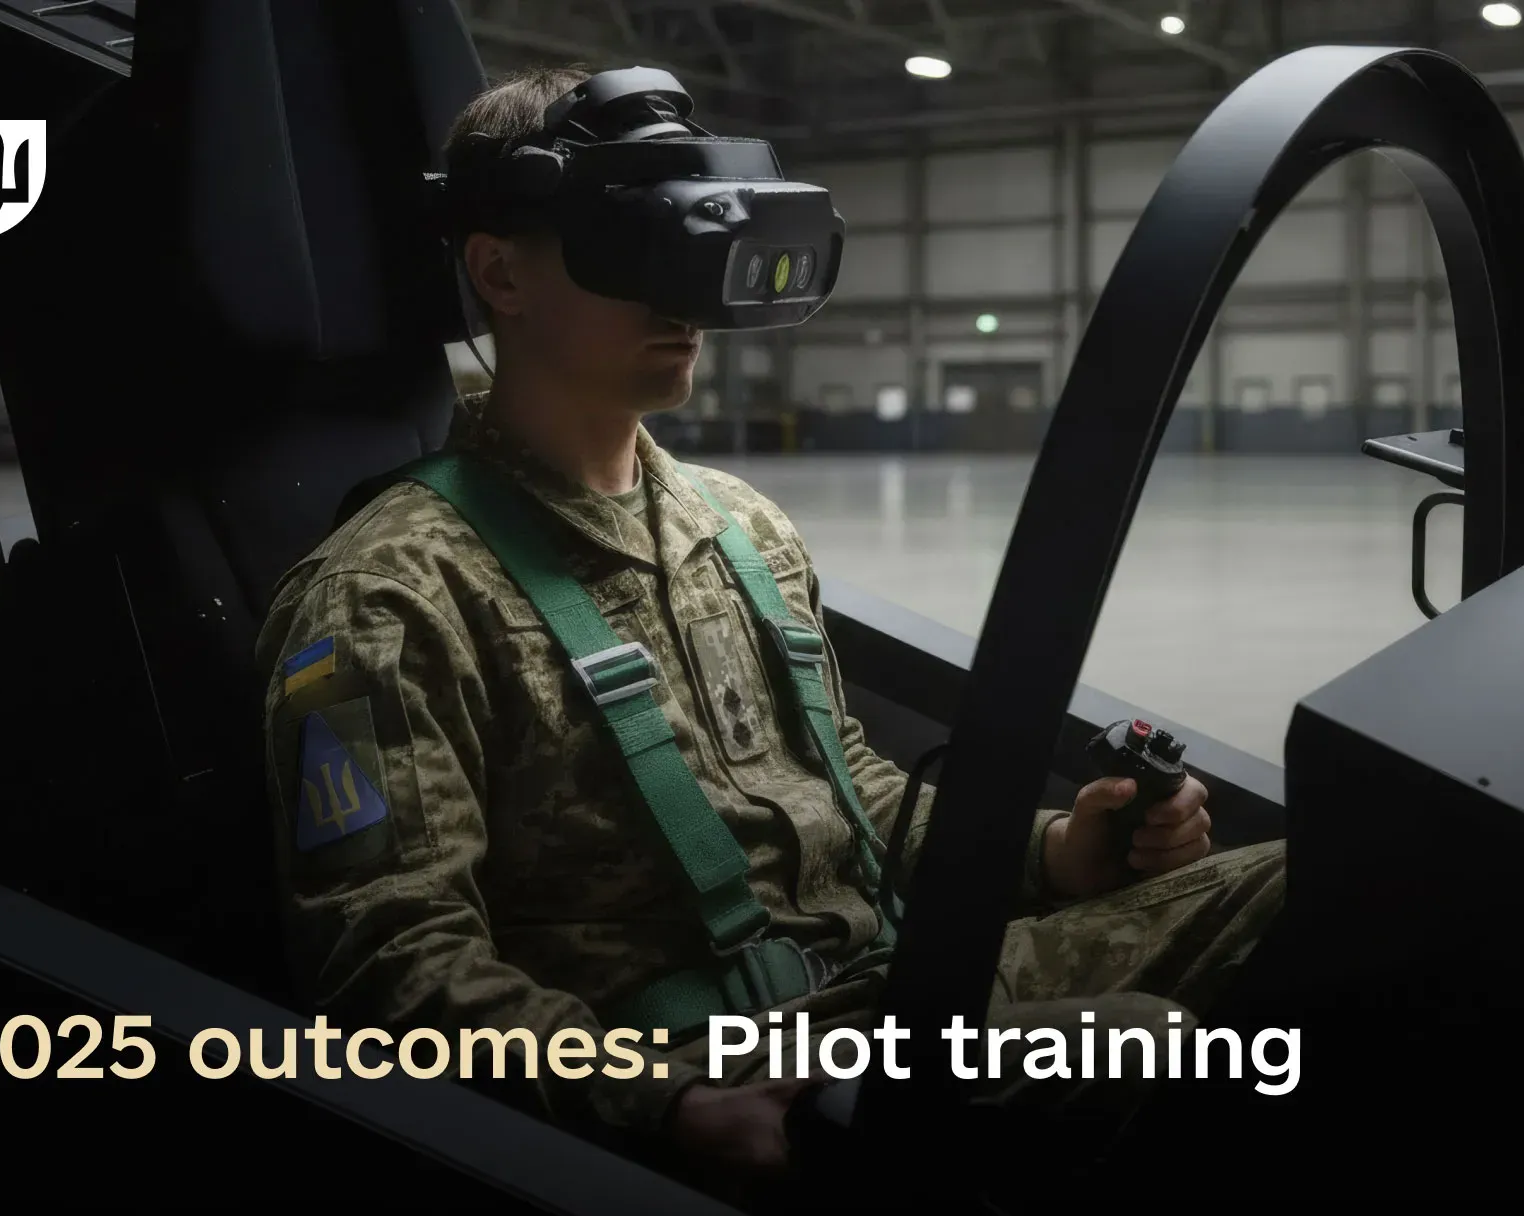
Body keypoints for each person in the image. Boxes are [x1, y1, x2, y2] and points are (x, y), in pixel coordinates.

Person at [254, 64, 1286, 1196]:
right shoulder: (387, 596)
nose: (682, 299)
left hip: (899, 982)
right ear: (499, 271)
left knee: (1324, 883)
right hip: (728, 1059)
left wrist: (1052, 850)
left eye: (694, 245)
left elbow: (852, 801)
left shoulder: (743, 526)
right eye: (632, 248)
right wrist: (666, 1102)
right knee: (1155, 1040)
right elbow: (391, 960)